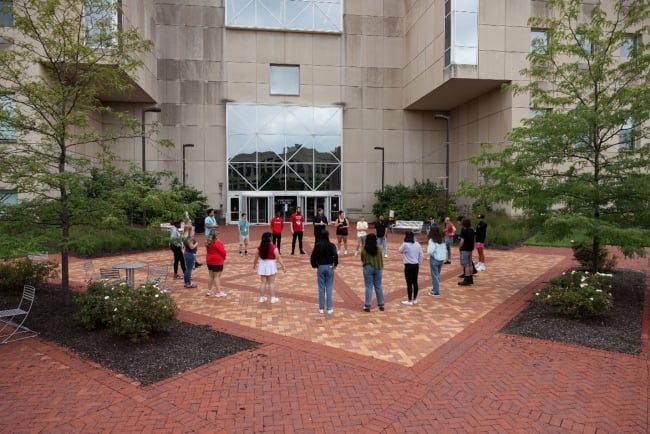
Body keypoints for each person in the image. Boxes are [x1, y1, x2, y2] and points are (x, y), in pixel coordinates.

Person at [310, 229, 338, 314]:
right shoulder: (331, 245)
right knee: (329, 288)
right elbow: (335, 255)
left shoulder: (317, 245)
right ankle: (329, 308)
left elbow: (313, 257)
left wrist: (315, 265)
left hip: (321, 267)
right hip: (329, 266)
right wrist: (335, 264)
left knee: (321, 288)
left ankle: (321, 308)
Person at [252, 232, 286, 304]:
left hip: (262, 264)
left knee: (263, 282)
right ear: (270, 238)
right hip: (270, 264)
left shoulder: (260, 247)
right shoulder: (274, 247)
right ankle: (273, 298)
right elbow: (278, 257)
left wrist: (254, 264)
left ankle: (262, 297)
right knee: (271, 283)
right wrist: (283, 266)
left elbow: (256, 256)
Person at [360, 233, 385, 312]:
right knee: (378, 286)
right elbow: (380, 258)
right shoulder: (380, 249)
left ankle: (367, 305)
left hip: (368, 267)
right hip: (378, 268)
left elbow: (362, 259)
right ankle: (381, 304)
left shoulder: (364, 250)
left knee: (368, 286)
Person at [398, 231, 423, 305]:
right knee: (415, 282)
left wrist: (403, 243)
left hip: (408, 265)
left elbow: (400, 251)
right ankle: (415, 299)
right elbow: (421, 255)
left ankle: (409, 300)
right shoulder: (417, 244)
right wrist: (419, 263)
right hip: (416, 265)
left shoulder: (405, 244)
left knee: (409, 283)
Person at [205, 230, 227, 297]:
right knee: (217, 277)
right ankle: (218, 292)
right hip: (217, 261)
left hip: (209, 260)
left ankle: (209, 291)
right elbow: (223, 252)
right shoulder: (217, 242)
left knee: (211, 276)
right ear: (216, 236)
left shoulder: (208, 242)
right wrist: (224, 257)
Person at [427, 226, 447, 297]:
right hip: (441, 259)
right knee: (437, 275)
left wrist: (430, 254)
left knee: (434, 275)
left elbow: (430, 251)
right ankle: (435, 288)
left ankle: (436, 291)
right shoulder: (442, 239)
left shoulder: (432, 240)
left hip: (434, 258)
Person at [458, 217, 475, 286]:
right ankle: (470, 278)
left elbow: (462, 240)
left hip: (465, 249)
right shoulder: (472, 230)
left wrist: (459, 247)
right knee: (470, 263)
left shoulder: (464, 231)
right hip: (470, 249)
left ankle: (467, 279)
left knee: (466, 264)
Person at [182, 221, 199, 288]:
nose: (194, 232)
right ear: (190, 231)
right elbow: (191, 247)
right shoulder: (190, 238)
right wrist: (196, 243)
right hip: (190, 254)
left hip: (187, 253)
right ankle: (188, 283)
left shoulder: (186, 237)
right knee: (189, 269)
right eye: (193, 231)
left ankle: (186, 282)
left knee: (187, 269)